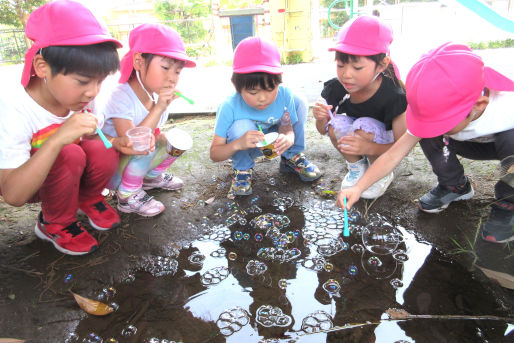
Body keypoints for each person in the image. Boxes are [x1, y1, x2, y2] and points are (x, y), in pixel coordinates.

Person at [338, 43, 514, 288]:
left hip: (506, 146)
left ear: (479, 106)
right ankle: (455, 185)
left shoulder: (508, 107)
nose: (434, 124)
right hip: (463, 141)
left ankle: (507, 205)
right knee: (428, 133)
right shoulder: (439, 108)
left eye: (443, 121)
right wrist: (358, 188)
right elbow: (393, 155)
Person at [0, 0, 136, 255]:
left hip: (67, 174)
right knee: (69, 153)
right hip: (25, 180)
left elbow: (94, 135)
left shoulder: (83, 97)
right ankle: (55, 222)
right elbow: (14, 194)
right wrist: (57, 139)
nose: (93, 92)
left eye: (100, 81)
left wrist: (116, 143)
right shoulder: (14, 107)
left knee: (102, 149)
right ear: (42, 67)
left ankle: (87, 197)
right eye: (83, 81)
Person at [102, 23, 196, 217]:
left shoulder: (153, 95)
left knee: (169, 140)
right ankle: (127, 195)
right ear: (139, 61)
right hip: (110, 171)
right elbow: (131, 142)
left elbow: (155, 132)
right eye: (165, 67)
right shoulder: (121, 96)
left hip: (133, 165)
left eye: (177, 71)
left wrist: (161, 105)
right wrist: (160, 106)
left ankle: (150, 179)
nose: (172, 78)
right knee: (145, 141)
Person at [210, 37, 321, 198]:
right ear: (237, 86)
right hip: (248, 147)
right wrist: (237, 144)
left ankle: (290, 157)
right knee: (241, 127)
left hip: (275, 144)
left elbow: (287, 128)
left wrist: (288, 139)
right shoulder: (229, 106)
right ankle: (242, 169)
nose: (262, 98)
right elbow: (215, 154)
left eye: (270, 89)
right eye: (253, 92)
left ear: (278, 81)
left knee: (300, 101)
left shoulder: (284, 95)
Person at [312, 15, 407, 199]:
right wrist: (320, 118)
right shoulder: (336, 87)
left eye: (357, 68)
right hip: (359, 136)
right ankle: (356, 167)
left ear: (382, 65)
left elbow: (401, 146)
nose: (346, 75)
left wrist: (369, 148)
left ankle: (380, 172)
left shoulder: (394, 96)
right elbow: (322, 131)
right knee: (335, 126)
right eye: (340, 65)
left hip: (381, 144)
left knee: (365, 126)